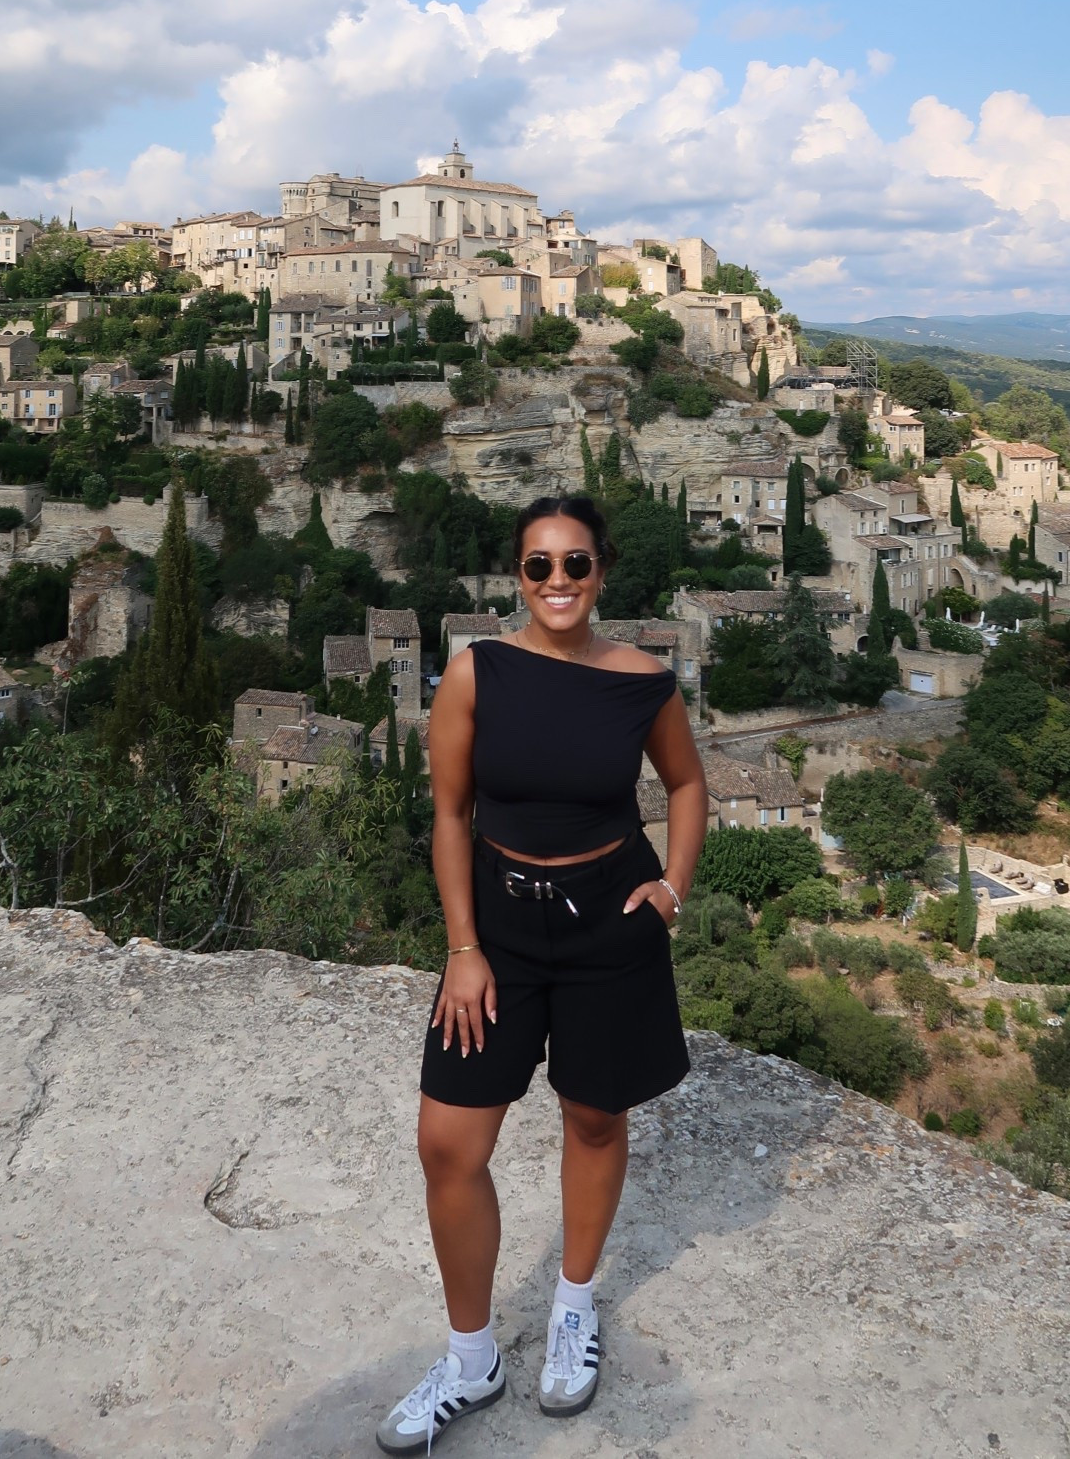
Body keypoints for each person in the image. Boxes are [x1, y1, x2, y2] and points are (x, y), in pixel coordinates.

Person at [377, 493, 707, 1454]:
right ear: (517, 576)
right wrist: (463, 947)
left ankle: (573, 1303)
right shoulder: (476, 672)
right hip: (502, 929)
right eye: (538, 565)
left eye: (575, 563)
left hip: (611, 919)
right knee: (448, 1142)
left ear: (602, 570)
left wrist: (672, 888)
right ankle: (470, 1358)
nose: (557, 580)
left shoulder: (644, 681)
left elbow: (688, 784)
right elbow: (450, 815)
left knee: (595, 1117)